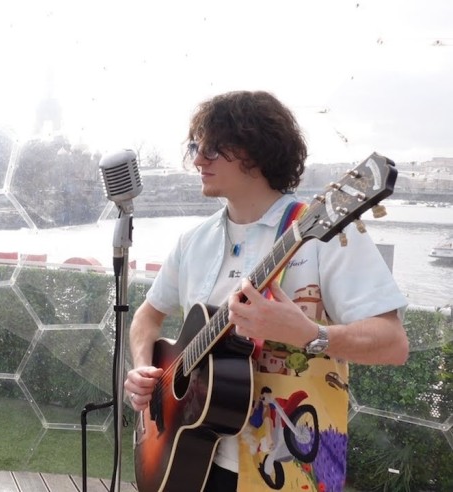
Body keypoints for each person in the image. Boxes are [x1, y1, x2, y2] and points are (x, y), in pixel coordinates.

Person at [125, 90, 409, 491]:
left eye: (212, 148)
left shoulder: (324, 234)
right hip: (190, 455)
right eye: (195, 147)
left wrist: (311, 335)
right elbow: (147, 315)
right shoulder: (192, 242)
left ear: (256, 150)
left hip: (289, 466)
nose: (198, 160)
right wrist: (145, 371)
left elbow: (393, 344)